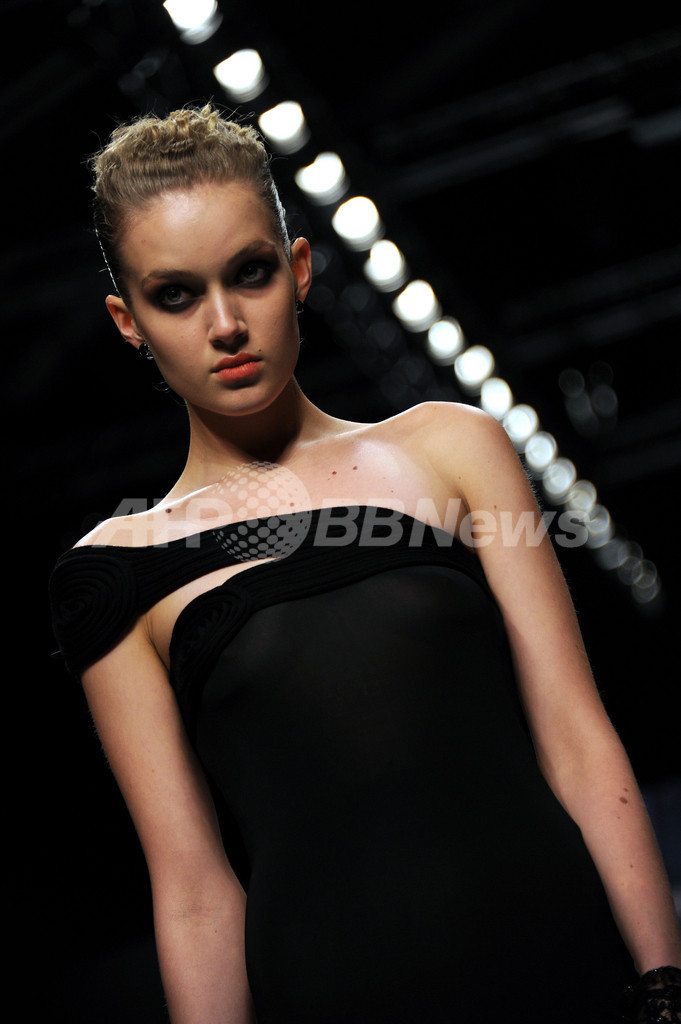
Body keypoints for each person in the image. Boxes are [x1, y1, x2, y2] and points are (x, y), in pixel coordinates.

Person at [49, 104, 681, 1024]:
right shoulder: (116, 571)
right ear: (127, 320)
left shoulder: (453, 449)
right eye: (176, 295)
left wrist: (663, 984)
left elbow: (576, 739)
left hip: (564, 972)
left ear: (299, 268)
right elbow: (192, 888)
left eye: (251, 272)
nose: (225, 323)